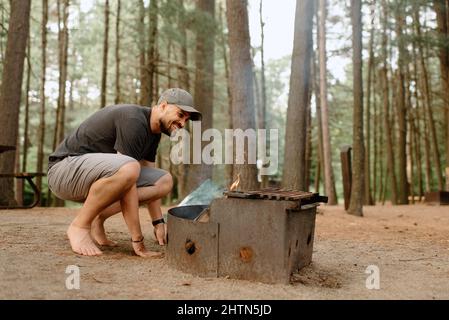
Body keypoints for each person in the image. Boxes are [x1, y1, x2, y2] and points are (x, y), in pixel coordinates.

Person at [47, 88, 201, 257]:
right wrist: (138, 240)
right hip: (63, 171)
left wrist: (158, 222)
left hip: (91, 175)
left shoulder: (154, 132)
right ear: (163, 106)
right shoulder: (133, 120)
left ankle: (98, 218)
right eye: (180, 115)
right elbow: (128, 181)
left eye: (186, 119)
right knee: (129, 168)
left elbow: (148, 175)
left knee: (164, 180)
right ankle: (80, 226)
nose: (182, 123)